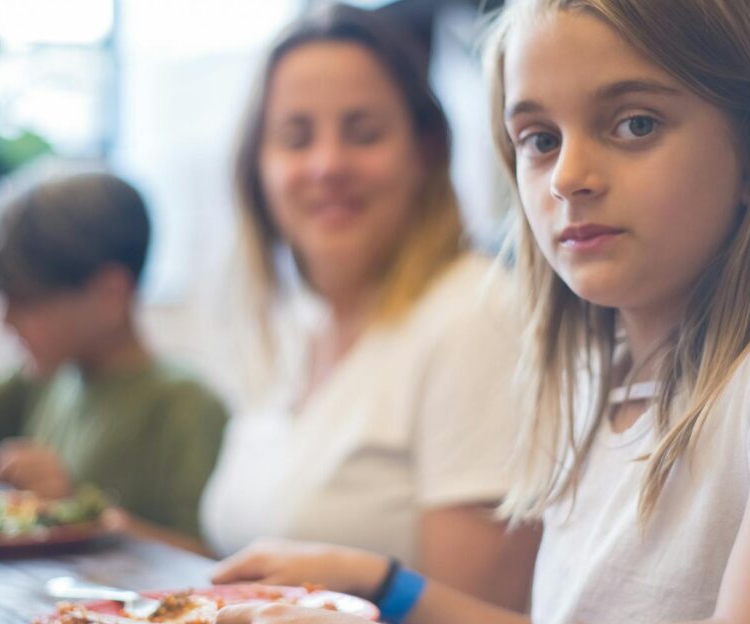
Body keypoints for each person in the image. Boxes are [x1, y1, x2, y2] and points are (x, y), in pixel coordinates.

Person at [204, 0, 750, 622]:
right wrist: (381, 586)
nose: (570, 177)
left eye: (635, 124)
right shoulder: (593, 377)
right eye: (541, 140)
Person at [196, 3, 539, 611]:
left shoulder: (475, 318)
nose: (328, 165)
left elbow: (481, 610)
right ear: (258, 168)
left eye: (364, 133)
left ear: (426, 150)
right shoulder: (292, 324)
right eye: (296, 137)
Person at [0, 168, 229, 551]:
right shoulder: (50, 376)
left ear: (110, 293)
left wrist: (78, 511)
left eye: (26, 300)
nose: (5, 318)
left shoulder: (184, 403)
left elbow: (204, 559)